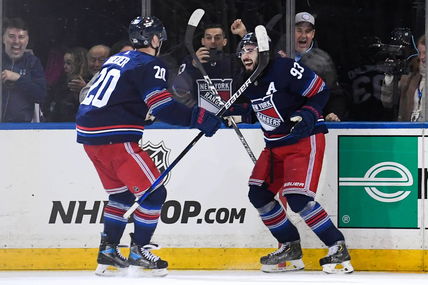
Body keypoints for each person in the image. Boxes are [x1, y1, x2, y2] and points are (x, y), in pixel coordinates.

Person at [76, 16, 222, 277]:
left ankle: (108, 250)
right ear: (154, 39)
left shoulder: (115, 59)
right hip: (115, 137)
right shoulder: (151, 64)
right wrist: (198, 117)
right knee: (154, 194)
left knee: (121, 195)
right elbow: (161, 106)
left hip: (89, 136)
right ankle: (139, 250)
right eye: (159, 36)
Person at [231, 32, 353, 274]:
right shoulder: (245, 79)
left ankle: (337, 247)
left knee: (297, 198)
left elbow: (320, 90)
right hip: (274, 146)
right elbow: (253, 108)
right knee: (259, 194)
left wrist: (308, 113)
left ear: (264, 51)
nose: (246, 55)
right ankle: (290, 248)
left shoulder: (285, 68)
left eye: (251, 49)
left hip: (303, 139)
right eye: (243, 51)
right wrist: (231, 113)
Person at [231, 13, 349, 122]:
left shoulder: (321, 60)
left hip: (306, 122)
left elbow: (333, 93)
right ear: (291, 32)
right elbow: (257, 57)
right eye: (299, 30)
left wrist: (334, 112)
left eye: (307, 31)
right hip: (278, 121)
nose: (303, 35)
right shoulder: (277, 52)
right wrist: (244, 35)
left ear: (313, 34)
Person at [172, 23, 243, 111]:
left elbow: (250, 79)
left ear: (224, 41)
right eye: (209, 38)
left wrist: (243, 35)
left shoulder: (233, 61)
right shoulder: (190, 61)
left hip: (229, 118)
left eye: (217, 38)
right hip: (200, 119)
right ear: (203, 41)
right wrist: (193, 66)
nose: (213, 41)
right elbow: (178, 90)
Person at [1, 17, 47, 122]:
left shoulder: (33, 62)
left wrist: (18, 79)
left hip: (23, 130)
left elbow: (41, 95)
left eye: (21, 37)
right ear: (3, 39)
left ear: (27, 40)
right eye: (11, 36)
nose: (16, 41)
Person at [380, 35, 426, 121]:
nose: (421, 57)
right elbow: (387, 103)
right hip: (408, 132)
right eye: (420, 53)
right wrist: (389, 77)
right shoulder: (409, 78)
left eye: (425, 53)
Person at [43, 47, 90, 122]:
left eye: (69, 63)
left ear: (80, 63)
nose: (65, 66)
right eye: (64, 63)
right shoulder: (60, 83)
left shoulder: (92, 82)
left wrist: (85, 90)